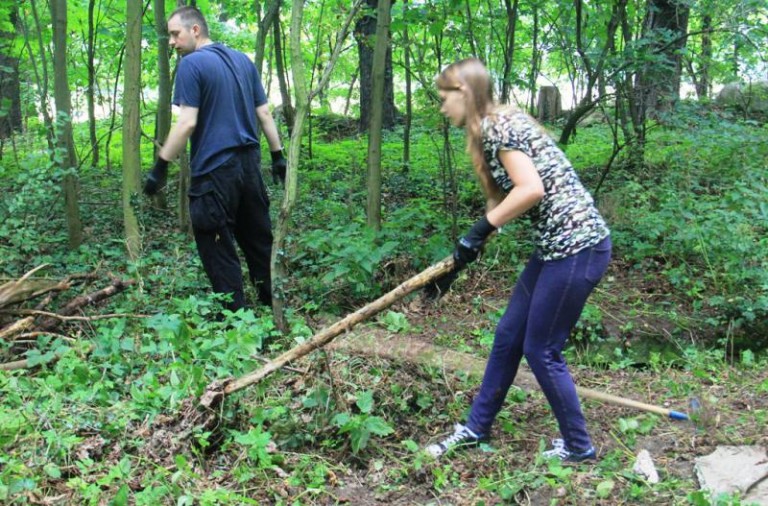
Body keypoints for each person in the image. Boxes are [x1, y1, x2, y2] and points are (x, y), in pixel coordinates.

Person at [424, 58, 612, 462]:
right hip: (554, 248)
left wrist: (478, 230)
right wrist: (460, 261)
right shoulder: (491, 128)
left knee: (541, 349)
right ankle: (476, 428)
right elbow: (501, 201)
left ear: (464, 93)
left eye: (444, 98)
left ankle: (578, 446)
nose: (442, 108)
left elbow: (530, 190)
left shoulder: (498, 126)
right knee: (509, 335)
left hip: (578, 246)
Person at [144, 6, 287, 312]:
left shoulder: (191, 64)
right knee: (258, 242)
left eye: (175, 34)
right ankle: (273, 309)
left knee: (217, 246)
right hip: (250, 168)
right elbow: (264, 113)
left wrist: (160, 166)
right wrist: (278, 156)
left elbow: (187, 123)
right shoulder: (243, 60)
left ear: (195, 30)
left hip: (214, 172)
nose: (172, 42)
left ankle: (236, 323)